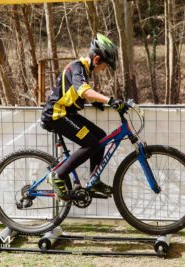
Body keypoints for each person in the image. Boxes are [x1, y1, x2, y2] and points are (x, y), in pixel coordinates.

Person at [40, 33, 126, 201]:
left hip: (68, 114)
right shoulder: (77, 67)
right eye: (105, 65)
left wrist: (94, 102)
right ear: (97, 59)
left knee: (101, 137)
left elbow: (74, 92)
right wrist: (109, 100)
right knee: (91, 144)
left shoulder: (84, 71)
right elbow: (83, 90)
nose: (104, 69)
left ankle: (94, 181)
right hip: (57, 115)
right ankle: (57, 175)